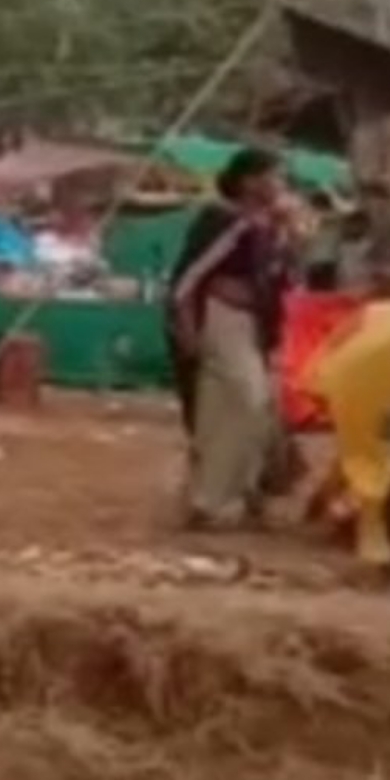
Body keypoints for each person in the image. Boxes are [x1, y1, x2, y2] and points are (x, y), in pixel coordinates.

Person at [167, 147, 291, 531]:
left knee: (229, 410)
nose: (280, 185)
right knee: (247, 401)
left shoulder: (267, 225)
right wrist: (186, 324)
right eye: (274, 176)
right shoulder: (223, 220)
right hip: (221, 318)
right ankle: (214, 499)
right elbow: (190, 276)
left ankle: (229, 496)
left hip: (252, 324)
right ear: (250, 181)